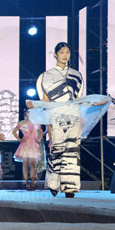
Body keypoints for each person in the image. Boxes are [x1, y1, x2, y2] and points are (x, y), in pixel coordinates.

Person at [34, 42, 83, 197]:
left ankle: (70, 187)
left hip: (73, 115)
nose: (65, 55)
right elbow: (45, 101)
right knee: (58, 149)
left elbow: (77, 98)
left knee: (72, 150)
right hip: (56, 116)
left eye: (67, 52)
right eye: (61, 52)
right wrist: (47, 124)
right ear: (55, 55)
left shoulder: (77, 75)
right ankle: (54, 183)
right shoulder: (45, 76)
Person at [12, 109, 43, 191]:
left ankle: (32, 181)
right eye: (28, 112)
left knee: (33, 163)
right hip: (25, 145)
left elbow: (41, 132)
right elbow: (14, 132)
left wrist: (39, 139)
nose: (29, 113)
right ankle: (26, 182)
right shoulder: (22, 123)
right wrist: (19, 139)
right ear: (25, 113)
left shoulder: (36, 122)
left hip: (33, 145)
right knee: (25, 163)